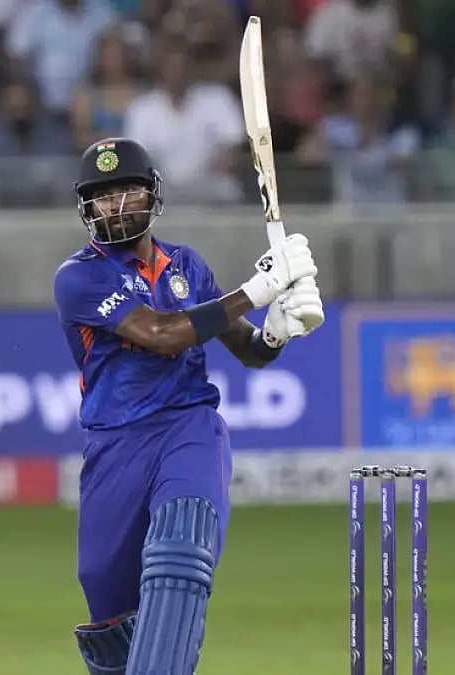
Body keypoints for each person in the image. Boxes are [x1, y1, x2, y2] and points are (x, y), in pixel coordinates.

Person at [53, 138, 324, 674]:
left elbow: (245, 348)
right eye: (102, 196)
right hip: (115, 445)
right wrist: (258, 290)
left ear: (151, 195)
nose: (116, 205)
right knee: (110, 615)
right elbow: (161, 334)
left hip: (187, 427)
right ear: (88, 207)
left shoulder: (186, 264)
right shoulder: (79, 276)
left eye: (127, 190)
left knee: (179, 555)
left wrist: (276, 331)